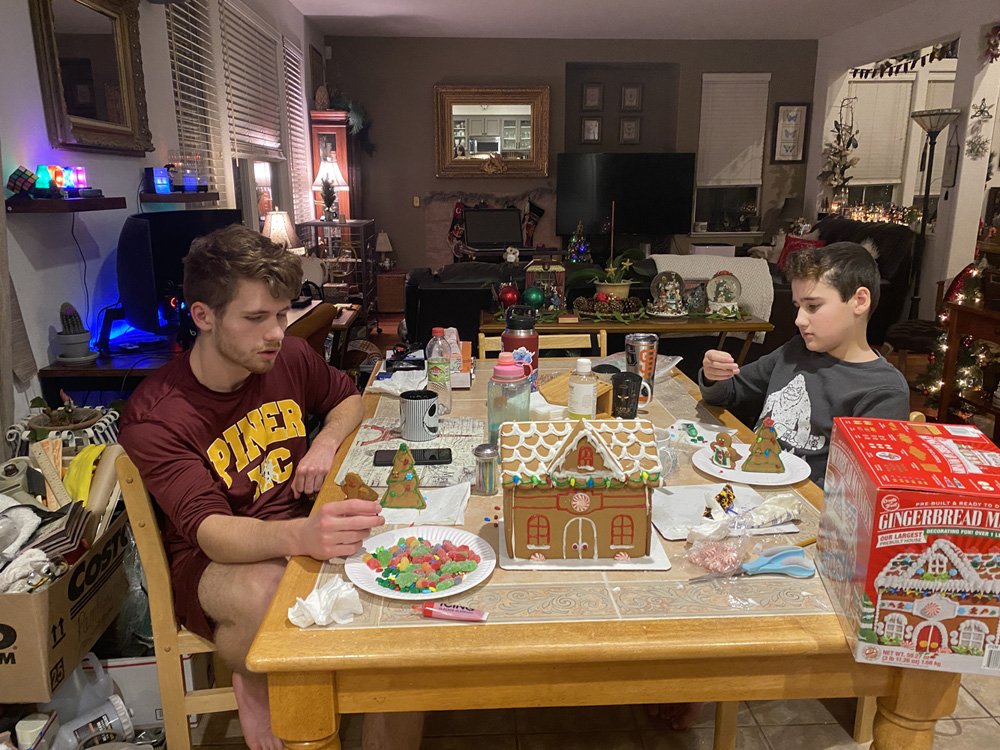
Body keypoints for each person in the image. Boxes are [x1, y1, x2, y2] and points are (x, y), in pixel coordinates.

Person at [119, 226, 423, 750]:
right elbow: (211, 531)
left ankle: (275, 675)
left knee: (401, 626)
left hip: (298, 523)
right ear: (203, 316)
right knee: (269, 590)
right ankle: (262, 678)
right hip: (213, 559)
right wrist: (302, 536)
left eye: (281, 315)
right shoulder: (157, 415)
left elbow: (349, 398)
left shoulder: (288, 356)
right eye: (256, 318)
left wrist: (324, 443)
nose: (276, 333)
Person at [699, 241, 910, 485]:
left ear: (860, 301)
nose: (799, 320)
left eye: (813, 306)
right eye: (798, 307)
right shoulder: (796, 350)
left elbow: (857, 489)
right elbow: (731, 391)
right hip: (749, 478)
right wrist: (714, 375)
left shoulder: (884, 391)